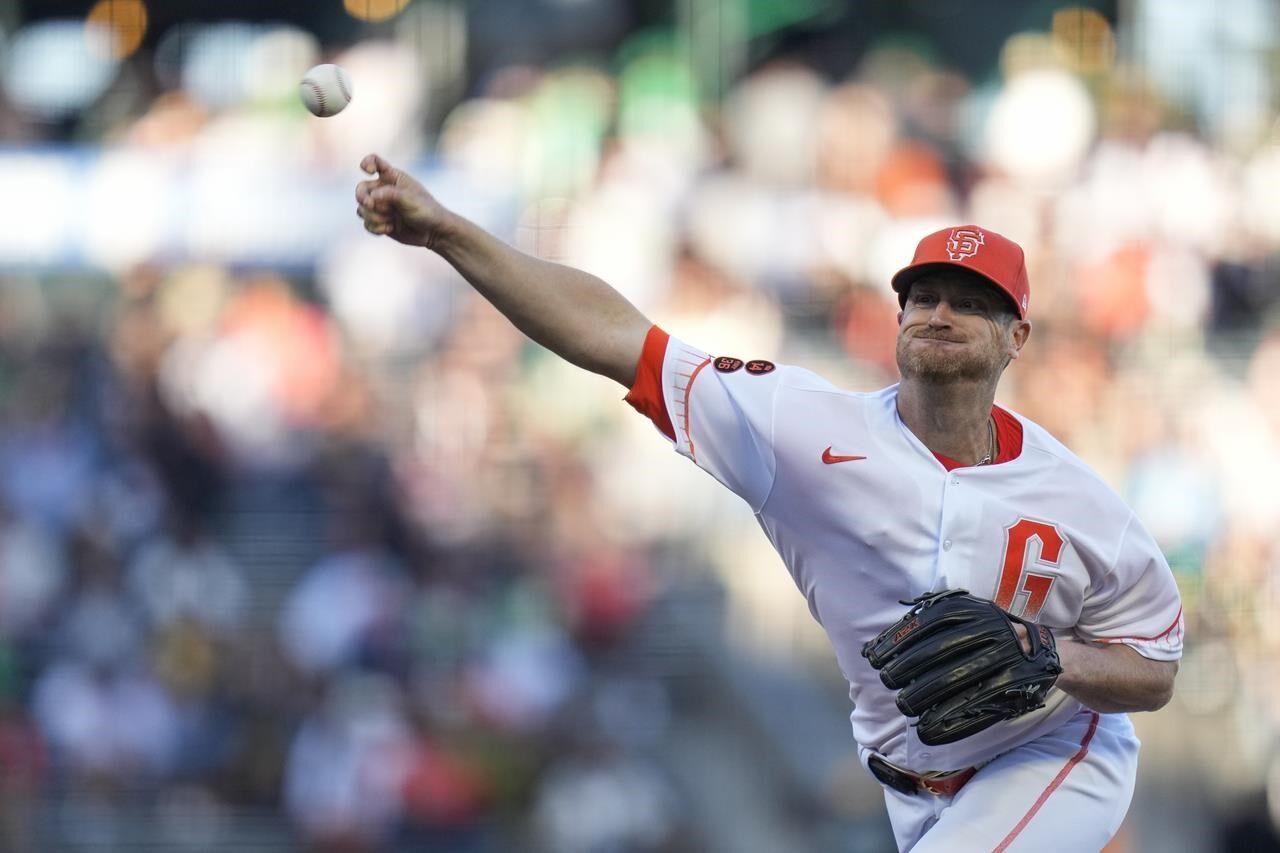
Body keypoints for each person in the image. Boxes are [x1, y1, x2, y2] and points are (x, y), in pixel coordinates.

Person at [354, 155, 1182, 852]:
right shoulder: (801, 428)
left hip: (1052, 751)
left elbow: (1155, 667)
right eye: (923, 295)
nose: (940, 313)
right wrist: (447, 232)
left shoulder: (1081, 502)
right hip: (909, 783)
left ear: (1018, 336)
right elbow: (616, 338)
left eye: (971, 301)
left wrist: (1051, 656)